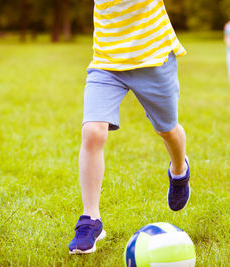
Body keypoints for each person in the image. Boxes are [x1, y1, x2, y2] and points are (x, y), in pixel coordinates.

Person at [67, 0, 191, 255]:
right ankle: (91, 219)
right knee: (92, 131)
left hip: (153, 59)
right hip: (107, 63)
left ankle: (179, 170)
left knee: (167, 129)